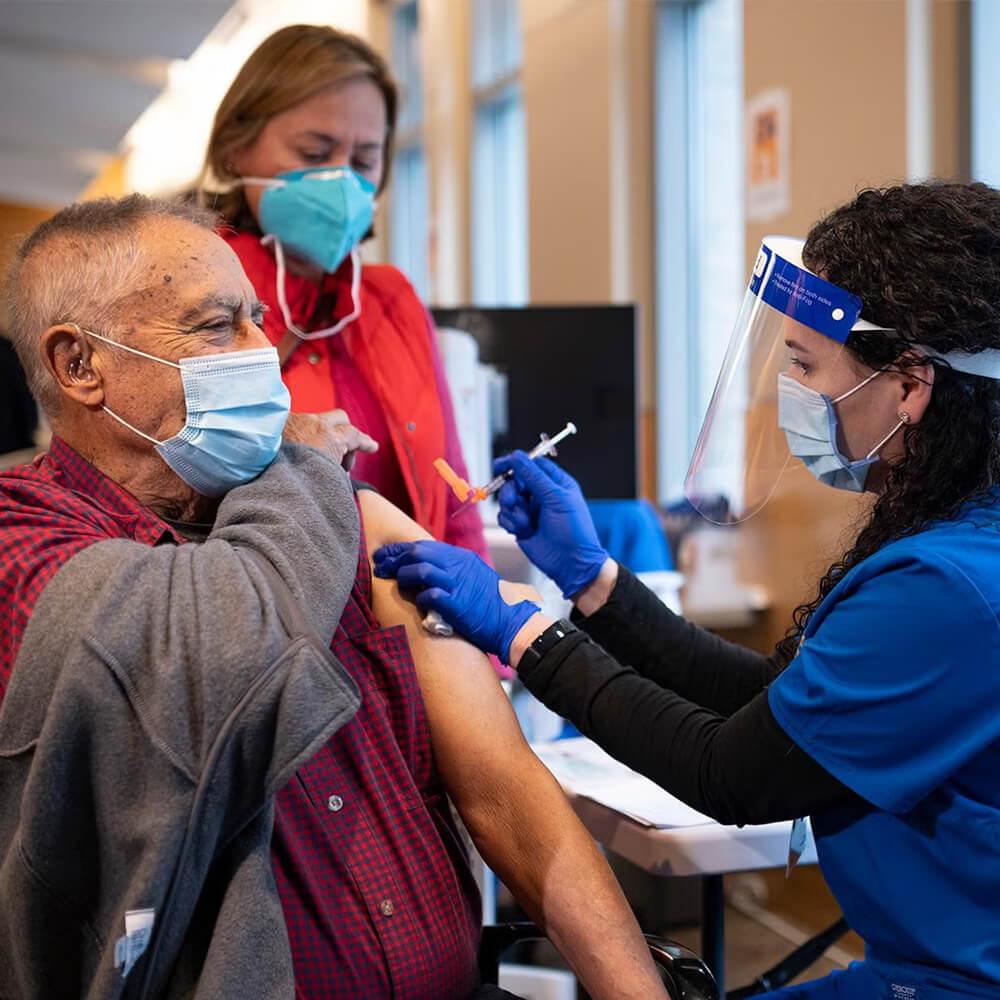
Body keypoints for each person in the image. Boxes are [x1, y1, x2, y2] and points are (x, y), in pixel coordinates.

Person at [0, 194, 668, 1000]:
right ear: (80, 365)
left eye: (257, 319)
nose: (260, 352)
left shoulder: (346, 519)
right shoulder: (24, 532)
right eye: (216, 326)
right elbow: (214, 644)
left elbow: (505, 791)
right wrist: (300, 466)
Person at [375, 183, 1000, 1000]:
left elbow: (730, 771)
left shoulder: (948, 589)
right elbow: (777, 701)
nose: (796, 395)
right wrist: (592, 580)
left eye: (809, 366)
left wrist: (523, 629)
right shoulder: (963, 539)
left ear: (912, 386)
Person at [197, 23, 488, 560]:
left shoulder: (390, 300)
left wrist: (492, 629)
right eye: (314, 153)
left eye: (361, 163)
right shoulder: (190, 292)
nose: (340, 183)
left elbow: (454, 509)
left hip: (405, 627)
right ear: (236, 148)